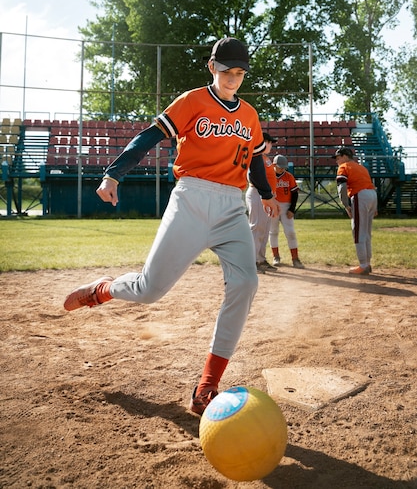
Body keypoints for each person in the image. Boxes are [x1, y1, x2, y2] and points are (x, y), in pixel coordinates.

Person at [63, 37, 279, 416]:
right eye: (227, 70)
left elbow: (256, 158)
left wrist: (266, 193)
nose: (233, 77)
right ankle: (103, 290)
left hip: (232, 206)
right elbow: (149, 136)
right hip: (192, 198)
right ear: (212, 67)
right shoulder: (192, 101)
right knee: (150, 290)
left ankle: (207, 385)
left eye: (240, 72)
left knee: (246, 283)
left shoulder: (249, 114)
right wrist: (114, 174)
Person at [333, 146, 378, 274]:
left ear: (345, 156)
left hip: (360, 195)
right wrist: (375, 206)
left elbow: (342, 188)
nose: (336, 160)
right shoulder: (361, 167)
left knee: (358, 232)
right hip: (372, 195)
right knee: (366, 233)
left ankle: (363, 265)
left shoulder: (344, 167)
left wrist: (346, 205)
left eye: (338, 157)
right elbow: (371, 185)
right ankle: (367, 263)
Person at [245, 132, 278, 273]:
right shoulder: (255, 156)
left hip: (266, 196)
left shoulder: (265, 158)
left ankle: (260, 259)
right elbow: (251, 176)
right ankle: (251, 262)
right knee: (257, 227)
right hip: (257, 194)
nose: (271, 145)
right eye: (269, 142)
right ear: (262, 142)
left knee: (264, 229)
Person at [269, 154, 304, 269]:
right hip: (273, 206)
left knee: (290, 232)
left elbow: (294, 193)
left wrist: (292, 209)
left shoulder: (289, 176)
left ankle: (295, 258)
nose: (282, 169)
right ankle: (276, 257)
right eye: (280, 167)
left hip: (286, 206)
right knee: (273, 232)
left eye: (283, 167)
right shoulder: (269, 175)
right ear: (273, 165)